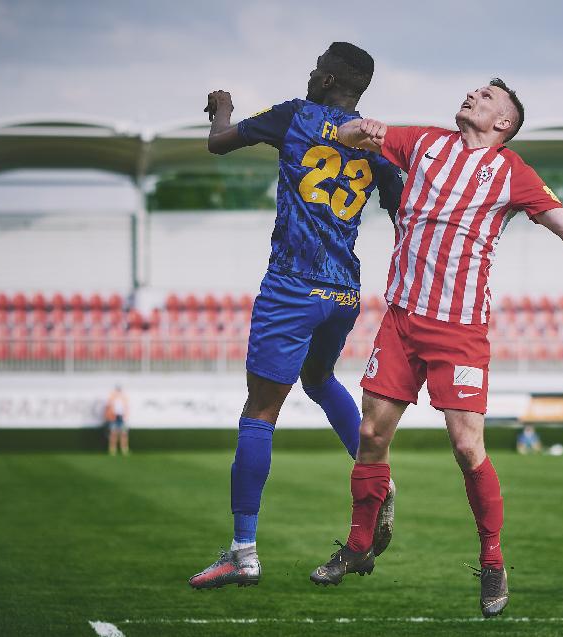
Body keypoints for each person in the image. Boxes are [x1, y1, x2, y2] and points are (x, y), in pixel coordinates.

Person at [307, 78, 563, 617]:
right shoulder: (423, 141)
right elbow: (352, 136)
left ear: (503, 122)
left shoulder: (511, 172)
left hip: (458, 330)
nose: (471, 97)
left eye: (486, 97)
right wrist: (358, 128)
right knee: (370, 434)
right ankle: (360, 546)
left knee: (466, 447)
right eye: (473, 92)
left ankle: (492, 560)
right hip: (401, 319)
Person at [188, 42, 404, 590]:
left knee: (260, 413)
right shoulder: (377, 144)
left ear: (328, 79)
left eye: (316, 69)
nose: (310, 74)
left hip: (292, 283)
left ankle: (243, 552)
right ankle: (376, 476)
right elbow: (402, 209)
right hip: (344, 291)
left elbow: (218, 143)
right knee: (320, 378)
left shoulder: (296, 115)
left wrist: (222, 107)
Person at [105, 385, 130, 456]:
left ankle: (124, 449)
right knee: (113, 434)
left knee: (124, 434)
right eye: (117, 390)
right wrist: (110, 416)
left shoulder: (124, 398)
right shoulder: (111, 398)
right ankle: (112, 450)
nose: (118, 392)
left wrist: (125, 416)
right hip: (113, 418)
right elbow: (108, 408)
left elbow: (126, 408)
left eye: (119, 390)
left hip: (121, 418)